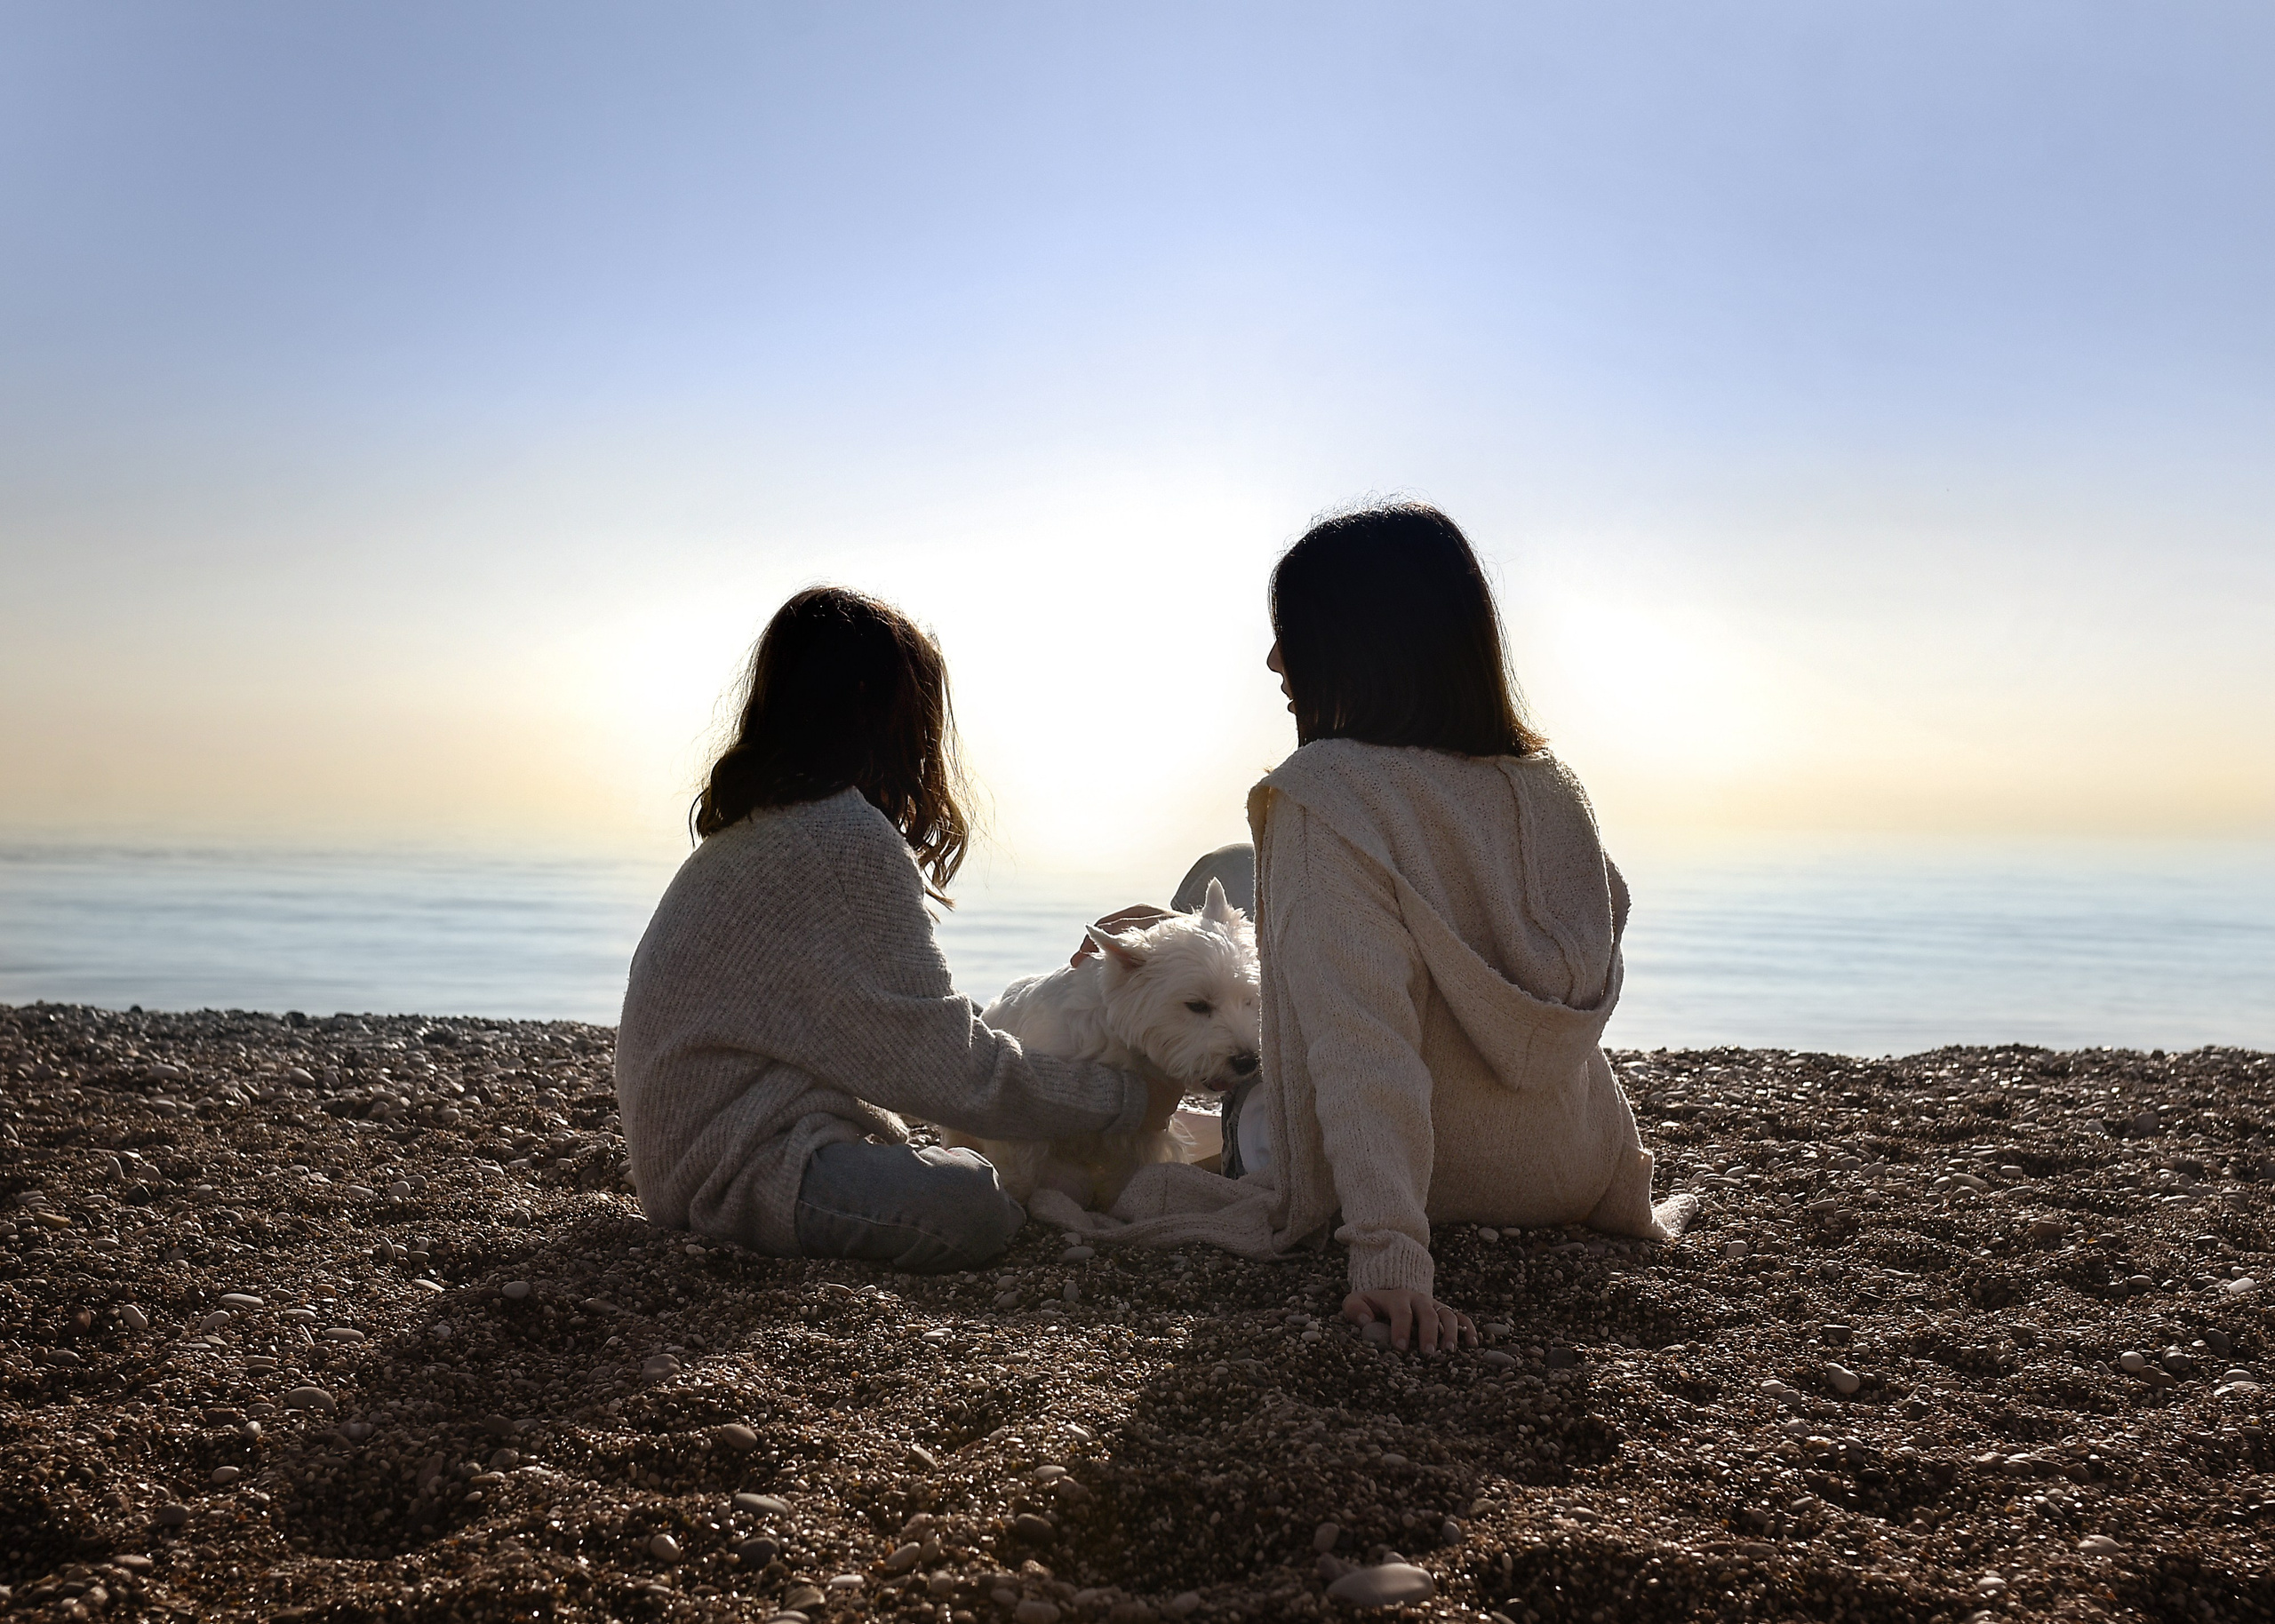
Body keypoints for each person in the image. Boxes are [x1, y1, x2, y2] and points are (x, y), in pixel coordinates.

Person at [1055, 503, 1680, 1351]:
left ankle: (1174, 1070)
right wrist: (1615, 1178)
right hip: (1571, 1162)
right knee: (1231, 873)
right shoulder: (1551, 787)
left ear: (1355, 642)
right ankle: (1191, 972)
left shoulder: (1328, 793)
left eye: (1291, 634)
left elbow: (1364, 1043)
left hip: (1434, 1181)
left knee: (1191, 1114)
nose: (1274, 661)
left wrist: (1389, 1257)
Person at [615, 586, 1185, 1272]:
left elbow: (909, 1031)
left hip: (694, 1162)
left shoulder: (769, 828)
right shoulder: (841, 839)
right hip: (740, 1174)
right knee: (973, 1203)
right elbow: (946, 1068)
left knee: (993, 1171)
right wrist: (1125, 1098)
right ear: (882, 706)